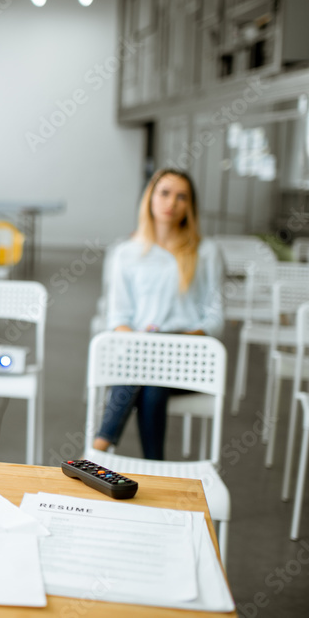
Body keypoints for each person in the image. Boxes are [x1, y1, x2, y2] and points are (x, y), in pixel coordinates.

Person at [92, 168, 225, 460]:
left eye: (181, 197)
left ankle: (99, 446)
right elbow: (118, 319)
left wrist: (178, 340)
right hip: (139, 354)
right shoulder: (126, 253)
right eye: (164, 193)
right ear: (150, 198)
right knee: (151, 371)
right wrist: (146, 343)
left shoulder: (206, 252)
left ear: (190, 206)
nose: (171, 203)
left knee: (151, 361)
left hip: (188, 357)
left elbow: (214, 317)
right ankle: (155, 465)